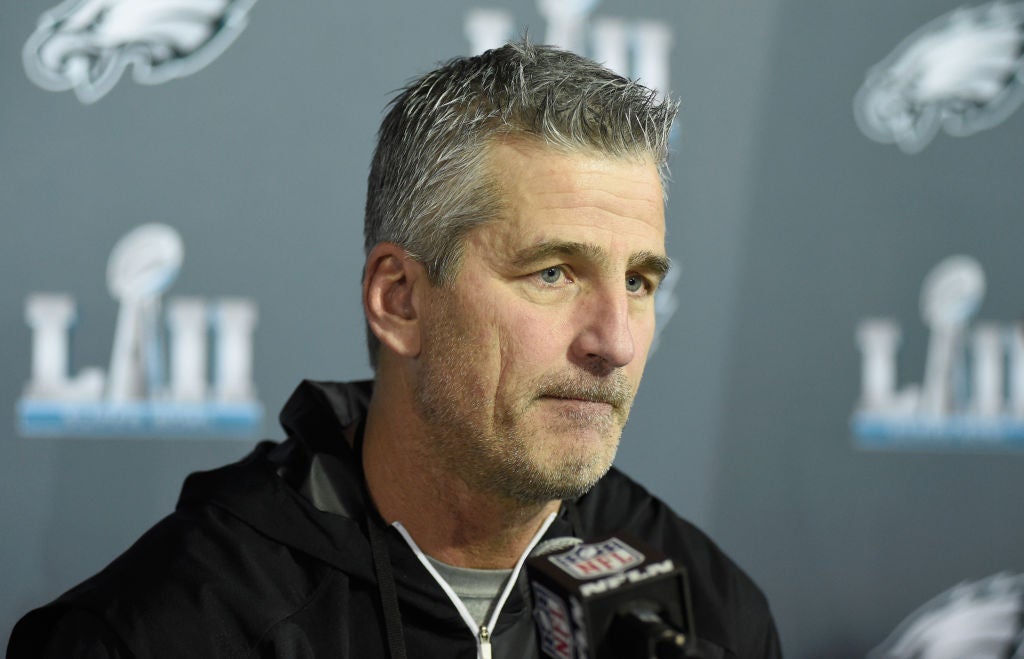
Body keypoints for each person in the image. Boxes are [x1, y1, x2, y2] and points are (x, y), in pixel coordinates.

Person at [8, 41, 781, 658]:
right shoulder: (162, 630)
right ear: (399, 299)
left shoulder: (711, 613)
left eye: (641, 283)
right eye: (553, 272)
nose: (614, 340)